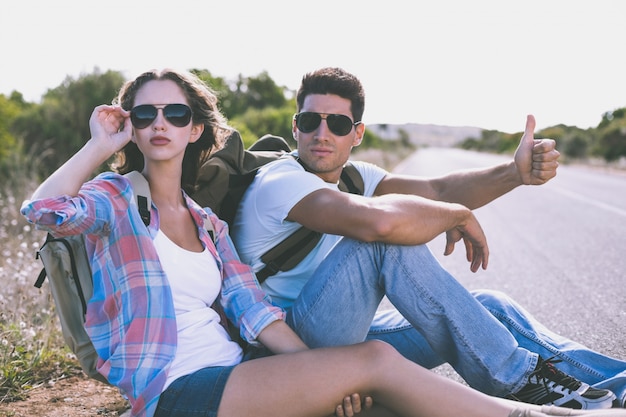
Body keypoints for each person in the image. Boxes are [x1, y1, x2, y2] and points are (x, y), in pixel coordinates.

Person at [22, 68, 614, 417]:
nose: (159, 122)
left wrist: (512, 174)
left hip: (260, 360)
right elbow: (44, 210)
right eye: (144, 112)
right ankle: (526, 398)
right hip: (173, 385)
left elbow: (252, 311)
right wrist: (102, 143)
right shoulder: (118, 199)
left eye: (175, 112)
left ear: (194, 128)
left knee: (491, 308)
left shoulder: (207, 223)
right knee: (380, 279)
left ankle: (605, 390)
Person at [228, 67, 626, 410]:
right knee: (383, 240)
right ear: (295, 126)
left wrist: (513, 174)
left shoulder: (355, 177)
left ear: (358, 133)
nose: (322, 133)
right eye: (311, 121)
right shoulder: (279, 180)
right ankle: (517, 378)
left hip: (339, 333)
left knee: (489, 307)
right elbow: (378, 227)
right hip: (280, 351)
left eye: (338, 124)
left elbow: (435, 189)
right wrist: (456, 214)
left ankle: (618, 387)